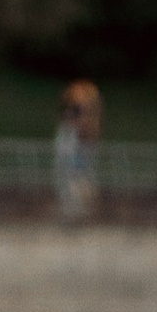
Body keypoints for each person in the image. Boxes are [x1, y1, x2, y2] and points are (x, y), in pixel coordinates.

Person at [53, 77, 102, 220]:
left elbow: (90, 134)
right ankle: (72, 214)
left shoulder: (87, 117)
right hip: (71, 158)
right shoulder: (69, 120)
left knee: (82, 186)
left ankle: (79, 214)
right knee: (72, 187)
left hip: (80, 159)